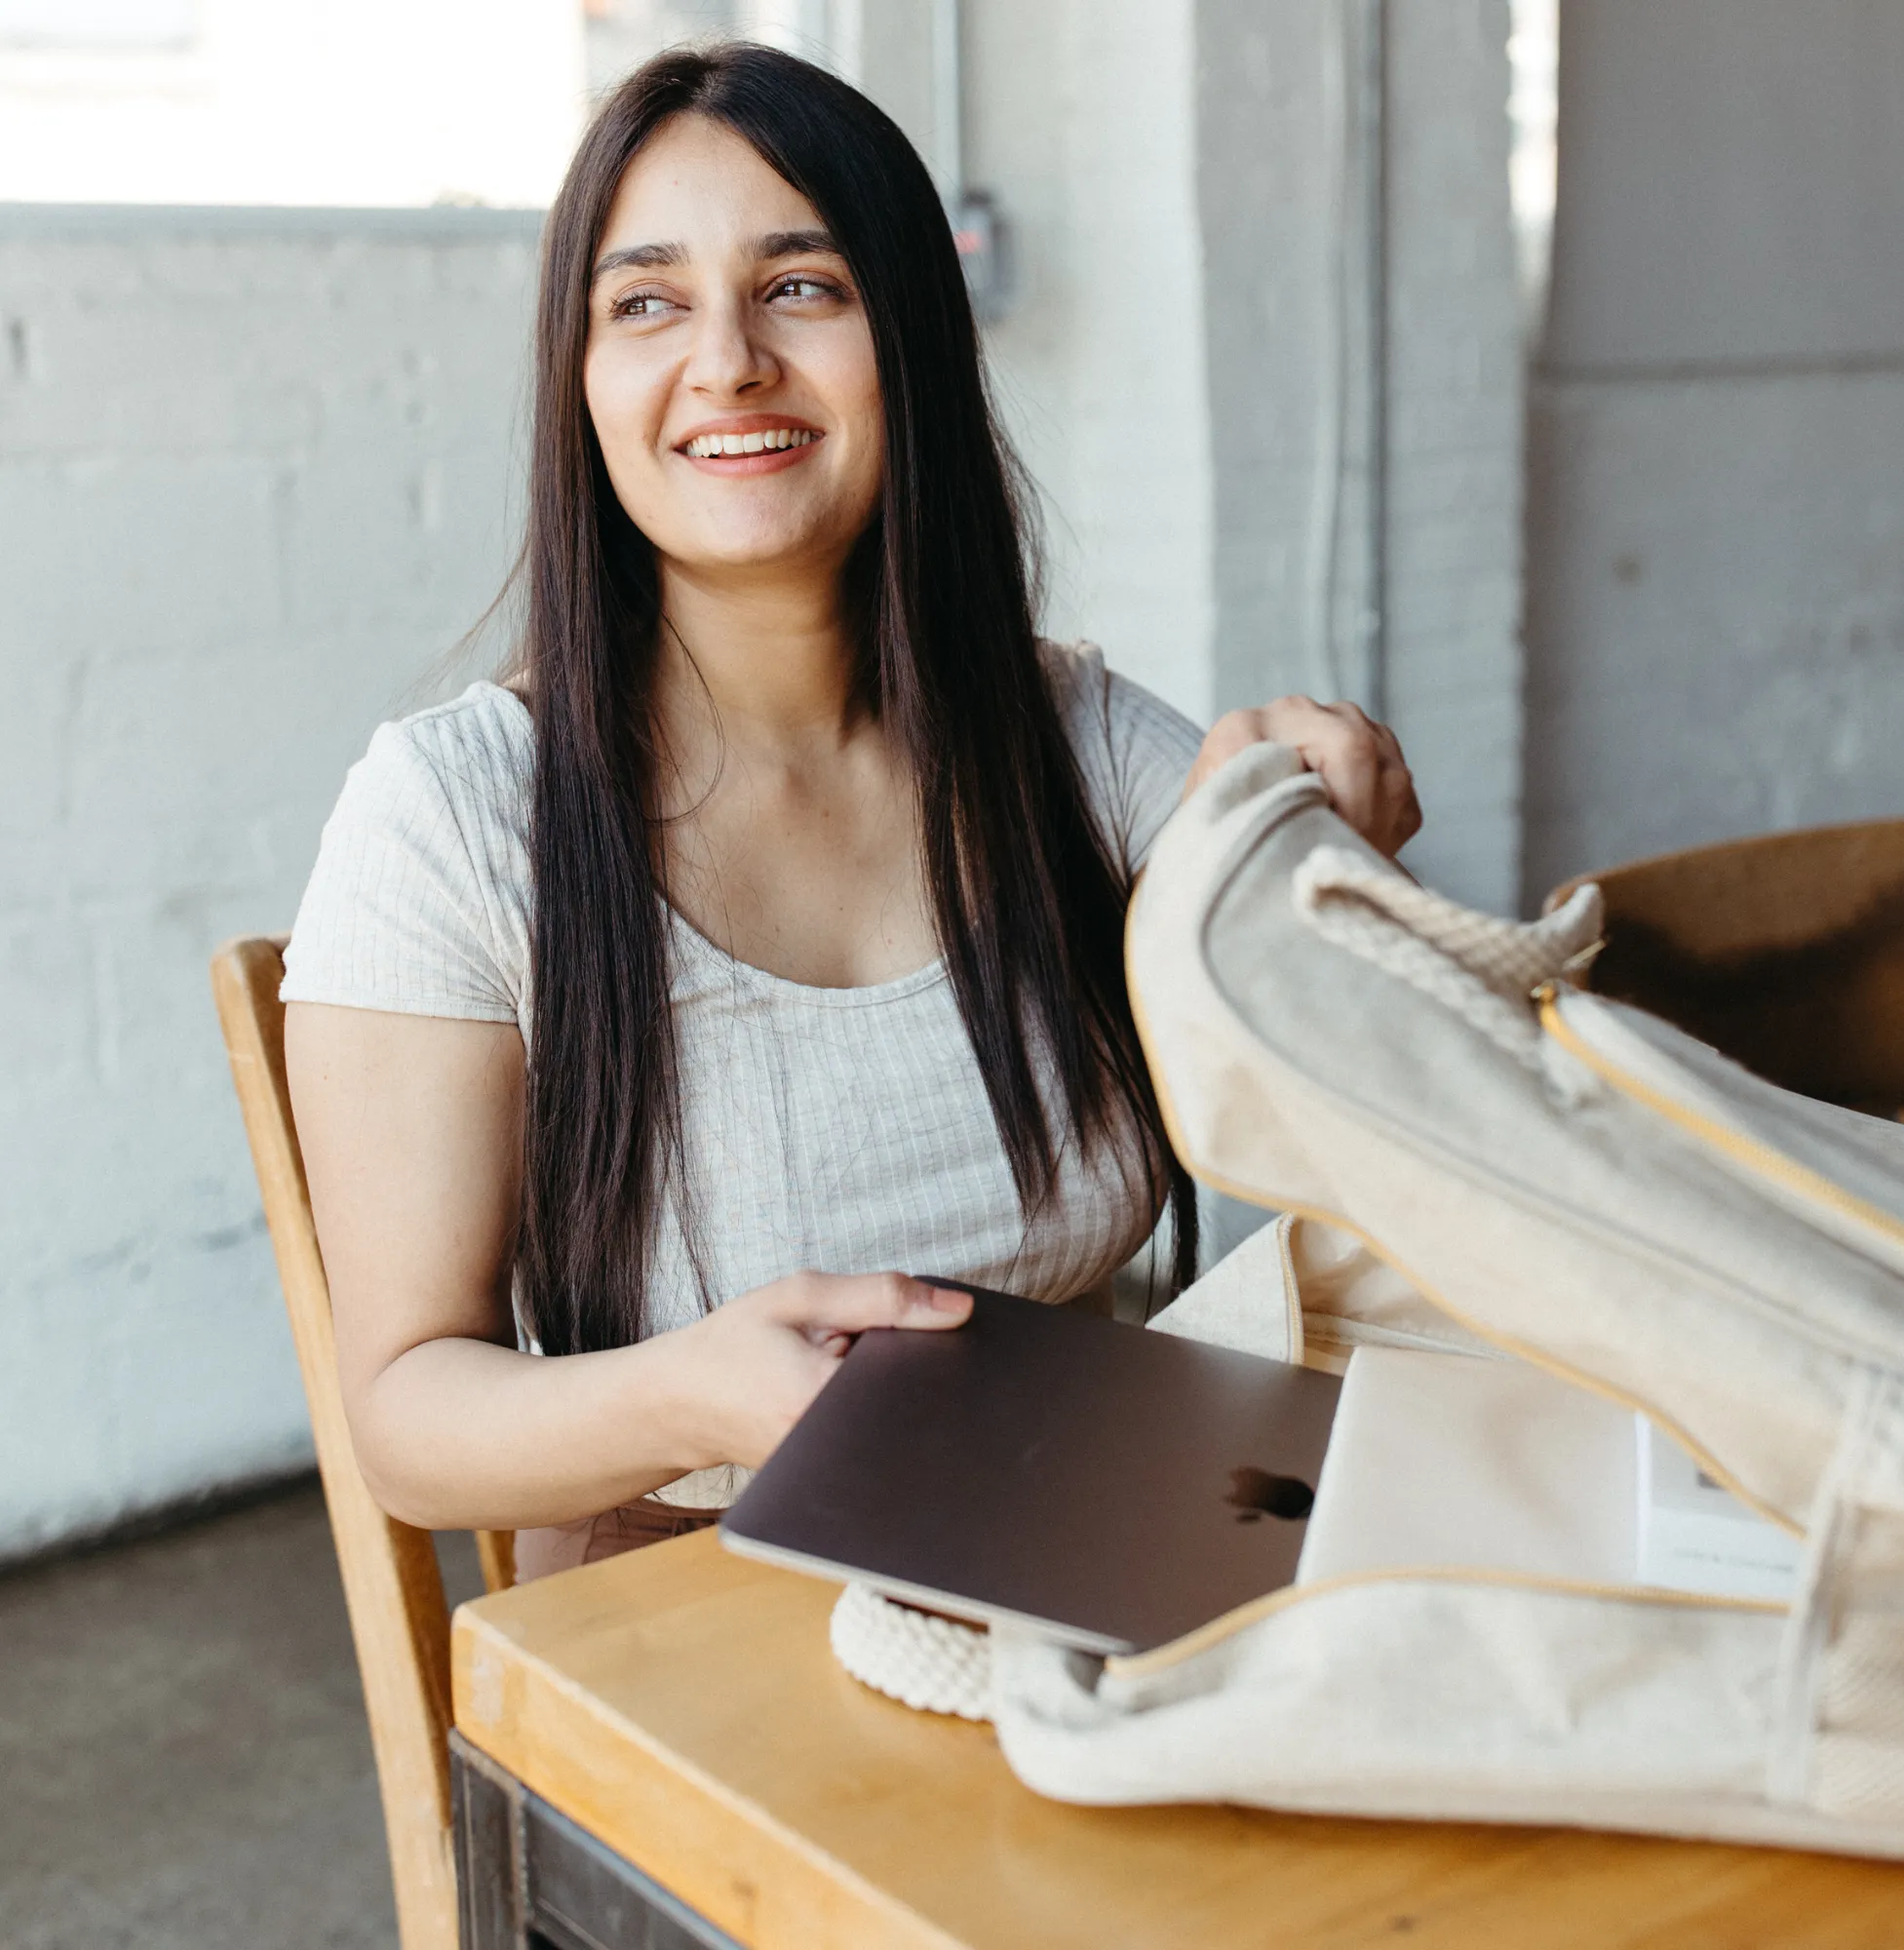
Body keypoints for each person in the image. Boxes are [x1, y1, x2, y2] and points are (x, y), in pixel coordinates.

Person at [281, 45, 1420, 1581]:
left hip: (1096, 1509)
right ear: (582, 381)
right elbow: (408, 1421)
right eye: (647, 302)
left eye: (802, 285)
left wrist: (1316, 845)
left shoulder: (1068, 739)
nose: (731, 359)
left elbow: (1346, 1092)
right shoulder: (455, 816)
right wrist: (699, 1389)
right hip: (683, 1583)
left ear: (916, 342)